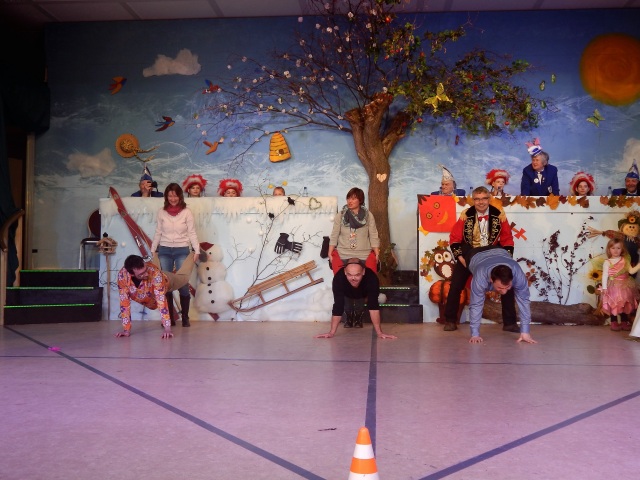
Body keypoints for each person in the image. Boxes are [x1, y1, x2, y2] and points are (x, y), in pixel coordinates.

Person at [443, 186, 516, 332]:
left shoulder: (499, 214)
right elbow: (455, 238)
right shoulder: (466, 214)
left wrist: (506, 259)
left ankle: (510, 323)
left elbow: (507, 238)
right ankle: (450, 320)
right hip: (469, 254)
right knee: (455, 286)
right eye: (477, 199)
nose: (481, 202)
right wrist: (460, 257)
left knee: (506, 283)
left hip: (492, 254)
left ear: (489, 199)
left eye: (484, 199)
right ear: (473, 200)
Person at [150, 183, 201, 327]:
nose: (173, 199)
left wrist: (197, 250)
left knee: (182, 283)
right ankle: (169, 318)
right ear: (166, 197)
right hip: (164, 250)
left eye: (175, 195)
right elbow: (158, 231)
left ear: (180, 196)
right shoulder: (161, 212)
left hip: (182, 250)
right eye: (170, 196)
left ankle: (185, 317)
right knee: (166, 284)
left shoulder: (187, 212)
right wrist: (153, 249)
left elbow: (192, 232)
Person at [465, 247, 537, 344]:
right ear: (491, 280)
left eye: (507, 287)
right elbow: (476, 304)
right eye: (500, 288)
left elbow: (524, 302)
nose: (504, 292)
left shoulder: (518, 274)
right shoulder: (480, 276)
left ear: (512, 279)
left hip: (499, 250)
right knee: (457, 283)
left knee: (517, 296)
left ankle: (510, 323)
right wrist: (475, 334)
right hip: (475, 254)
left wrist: (525, 332)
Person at [115, 254, 196, 338]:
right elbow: (124, 304)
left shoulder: (155, 274)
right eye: (141, 274)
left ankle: (192, 254)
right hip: (152, 290)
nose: (146, 274)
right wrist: (126, 330)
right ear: (132, 274)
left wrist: (167, 329)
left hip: (167, 280)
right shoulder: (122, 277)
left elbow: (161, 302)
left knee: (184, 278)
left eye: (146, 270)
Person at [315, 258, 396, 339]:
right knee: (345, 304)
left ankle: (358, 317)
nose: (353, 278)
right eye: (349, 275)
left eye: (357, 275)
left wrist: (379, 333)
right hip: (347, 294)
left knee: (378, 299)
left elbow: (373, 306)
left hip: (363, 294)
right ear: (345, 272)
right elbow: (338, 306)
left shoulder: (371, 278)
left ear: (363, 272)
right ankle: (350, 317)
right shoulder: (338, 278)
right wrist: (331, 333)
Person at [328, 187, 380, 274]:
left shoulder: (368, 215)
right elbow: (334, 234)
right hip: (343, 254)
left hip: (364, 254)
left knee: (370, 278)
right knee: (340, 279)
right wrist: (330, 253)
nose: (350, 201)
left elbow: (373, 235)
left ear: (360, 200)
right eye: (348, 198)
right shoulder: (341, 215)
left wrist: (377, 253)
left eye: (353, 198)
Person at [600, 238, 640, 331]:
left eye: (618, 248)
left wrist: (639, 265)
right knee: (613, 304)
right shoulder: (607, 262)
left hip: (625, 286)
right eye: (613, 248)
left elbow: (631, 271)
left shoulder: (625, 260)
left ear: (622, 249)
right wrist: (604, 287)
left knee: (624, 303)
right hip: (613, 286)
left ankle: (624, 322)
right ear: (609, 249)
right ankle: (613, 322)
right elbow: (605, 275)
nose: (616, 250)